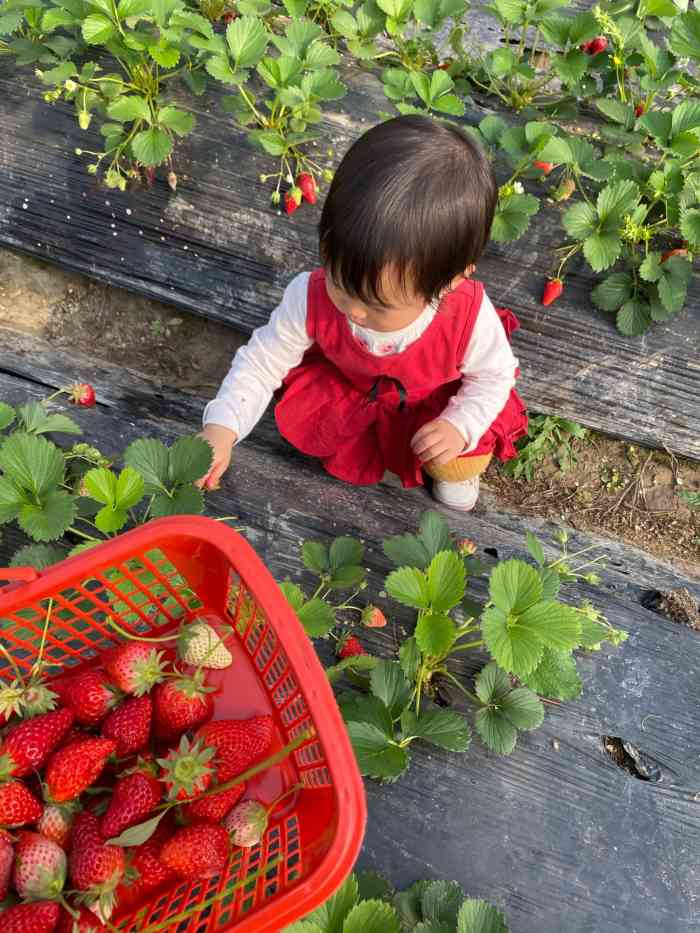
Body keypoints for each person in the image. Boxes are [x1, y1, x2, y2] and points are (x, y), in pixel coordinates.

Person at [200, 115, 527, 511]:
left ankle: (459, 460)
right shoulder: (311, 296)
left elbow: (495, 376)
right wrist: (222, 428)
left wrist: (460, 426)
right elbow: (262, 363)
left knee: (456, 456)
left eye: (376, 305)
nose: (353, 311)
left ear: (448, 283)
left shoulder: (467, 319)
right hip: (355, 386)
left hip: (431, 403)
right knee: (325, 426)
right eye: (341, 283)